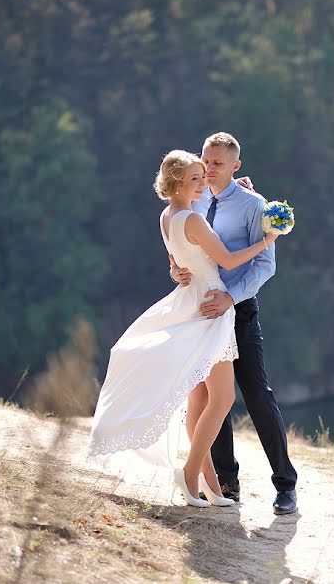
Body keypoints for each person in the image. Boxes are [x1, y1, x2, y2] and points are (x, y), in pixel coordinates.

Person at [87, 150, 284, 508]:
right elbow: (226, 259)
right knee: (221, 399)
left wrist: (231, 193)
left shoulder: (168, 216)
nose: (203, 181)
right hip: (211, 307)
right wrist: (266, 242)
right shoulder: (193, 220)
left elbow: (178, 261)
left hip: (191, 301)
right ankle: (191, 473)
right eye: (196, 177)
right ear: (178, 183)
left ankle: (211, 484)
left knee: (201, 398)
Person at [170, 132, 298, 515]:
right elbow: (184, 245)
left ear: (236, 166)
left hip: (237, 309)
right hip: (201, 311)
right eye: (205, 161)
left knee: (257, 394)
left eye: (217, 164)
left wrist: (231, 296)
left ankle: (286, 485)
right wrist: (176, 270)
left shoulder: (253, 205)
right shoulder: (196, 196)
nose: (208, 169)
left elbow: (265, 264)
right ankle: (225, 484)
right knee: (212, 399)